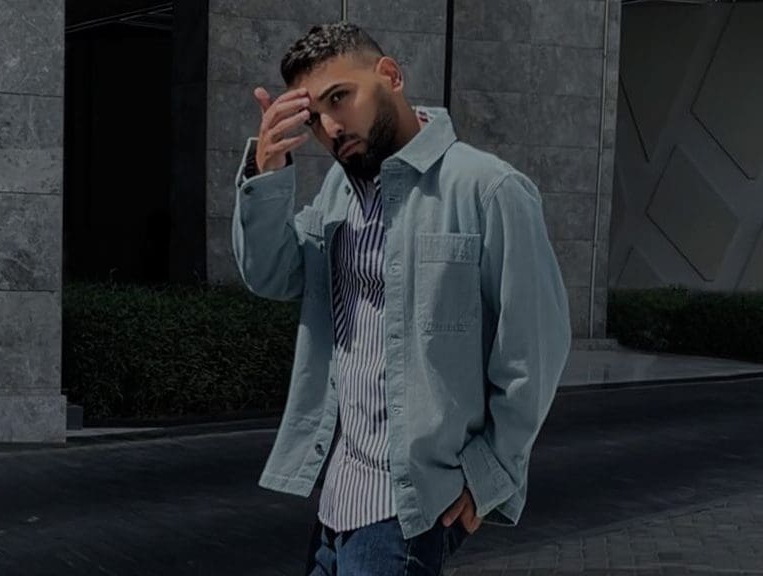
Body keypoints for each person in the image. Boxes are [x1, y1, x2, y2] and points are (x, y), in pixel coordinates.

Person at [231, 21, 572, 575]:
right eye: (314, 118)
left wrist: (490, 473)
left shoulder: (487, 188)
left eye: (340, 97)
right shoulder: (340, 192)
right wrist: (266, 174)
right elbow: (272, 275)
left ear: (389, 75)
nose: (331, 126)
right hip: (336, 499)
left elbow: (534, 349)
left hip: (406, 509)